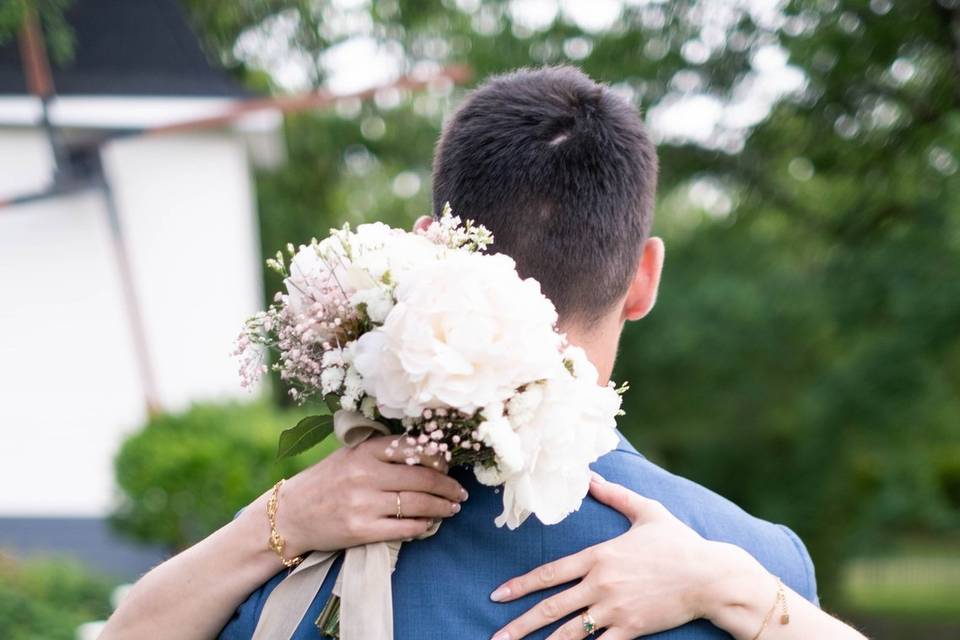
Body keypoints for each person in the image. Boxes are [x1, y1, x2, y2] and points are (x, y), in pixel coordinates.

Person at [105, 66, 860, 640]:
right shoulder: (759, 568)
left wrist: (273, 523)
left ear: (431, 247)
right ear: (644, 278)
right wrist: (743, 593)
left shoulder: (289, 566)